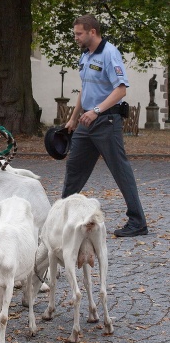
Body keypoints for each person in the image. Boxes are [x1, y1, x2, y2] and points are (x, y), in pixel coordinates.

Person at [62, 14, 148, 237]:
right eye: (75, 33)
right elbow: (85, 87)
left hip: (106, 120)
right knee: (74, 168)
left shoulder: (110, 54)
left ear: (92, 32)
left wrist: (96, 111)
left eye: (79, 33)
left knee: (120, 170)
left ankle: (138, 222)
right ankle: (61, 216)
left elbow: (121, 90)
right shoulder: (85, 55)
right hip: (86, 121)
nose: (76, 37)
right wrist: (74, 118)